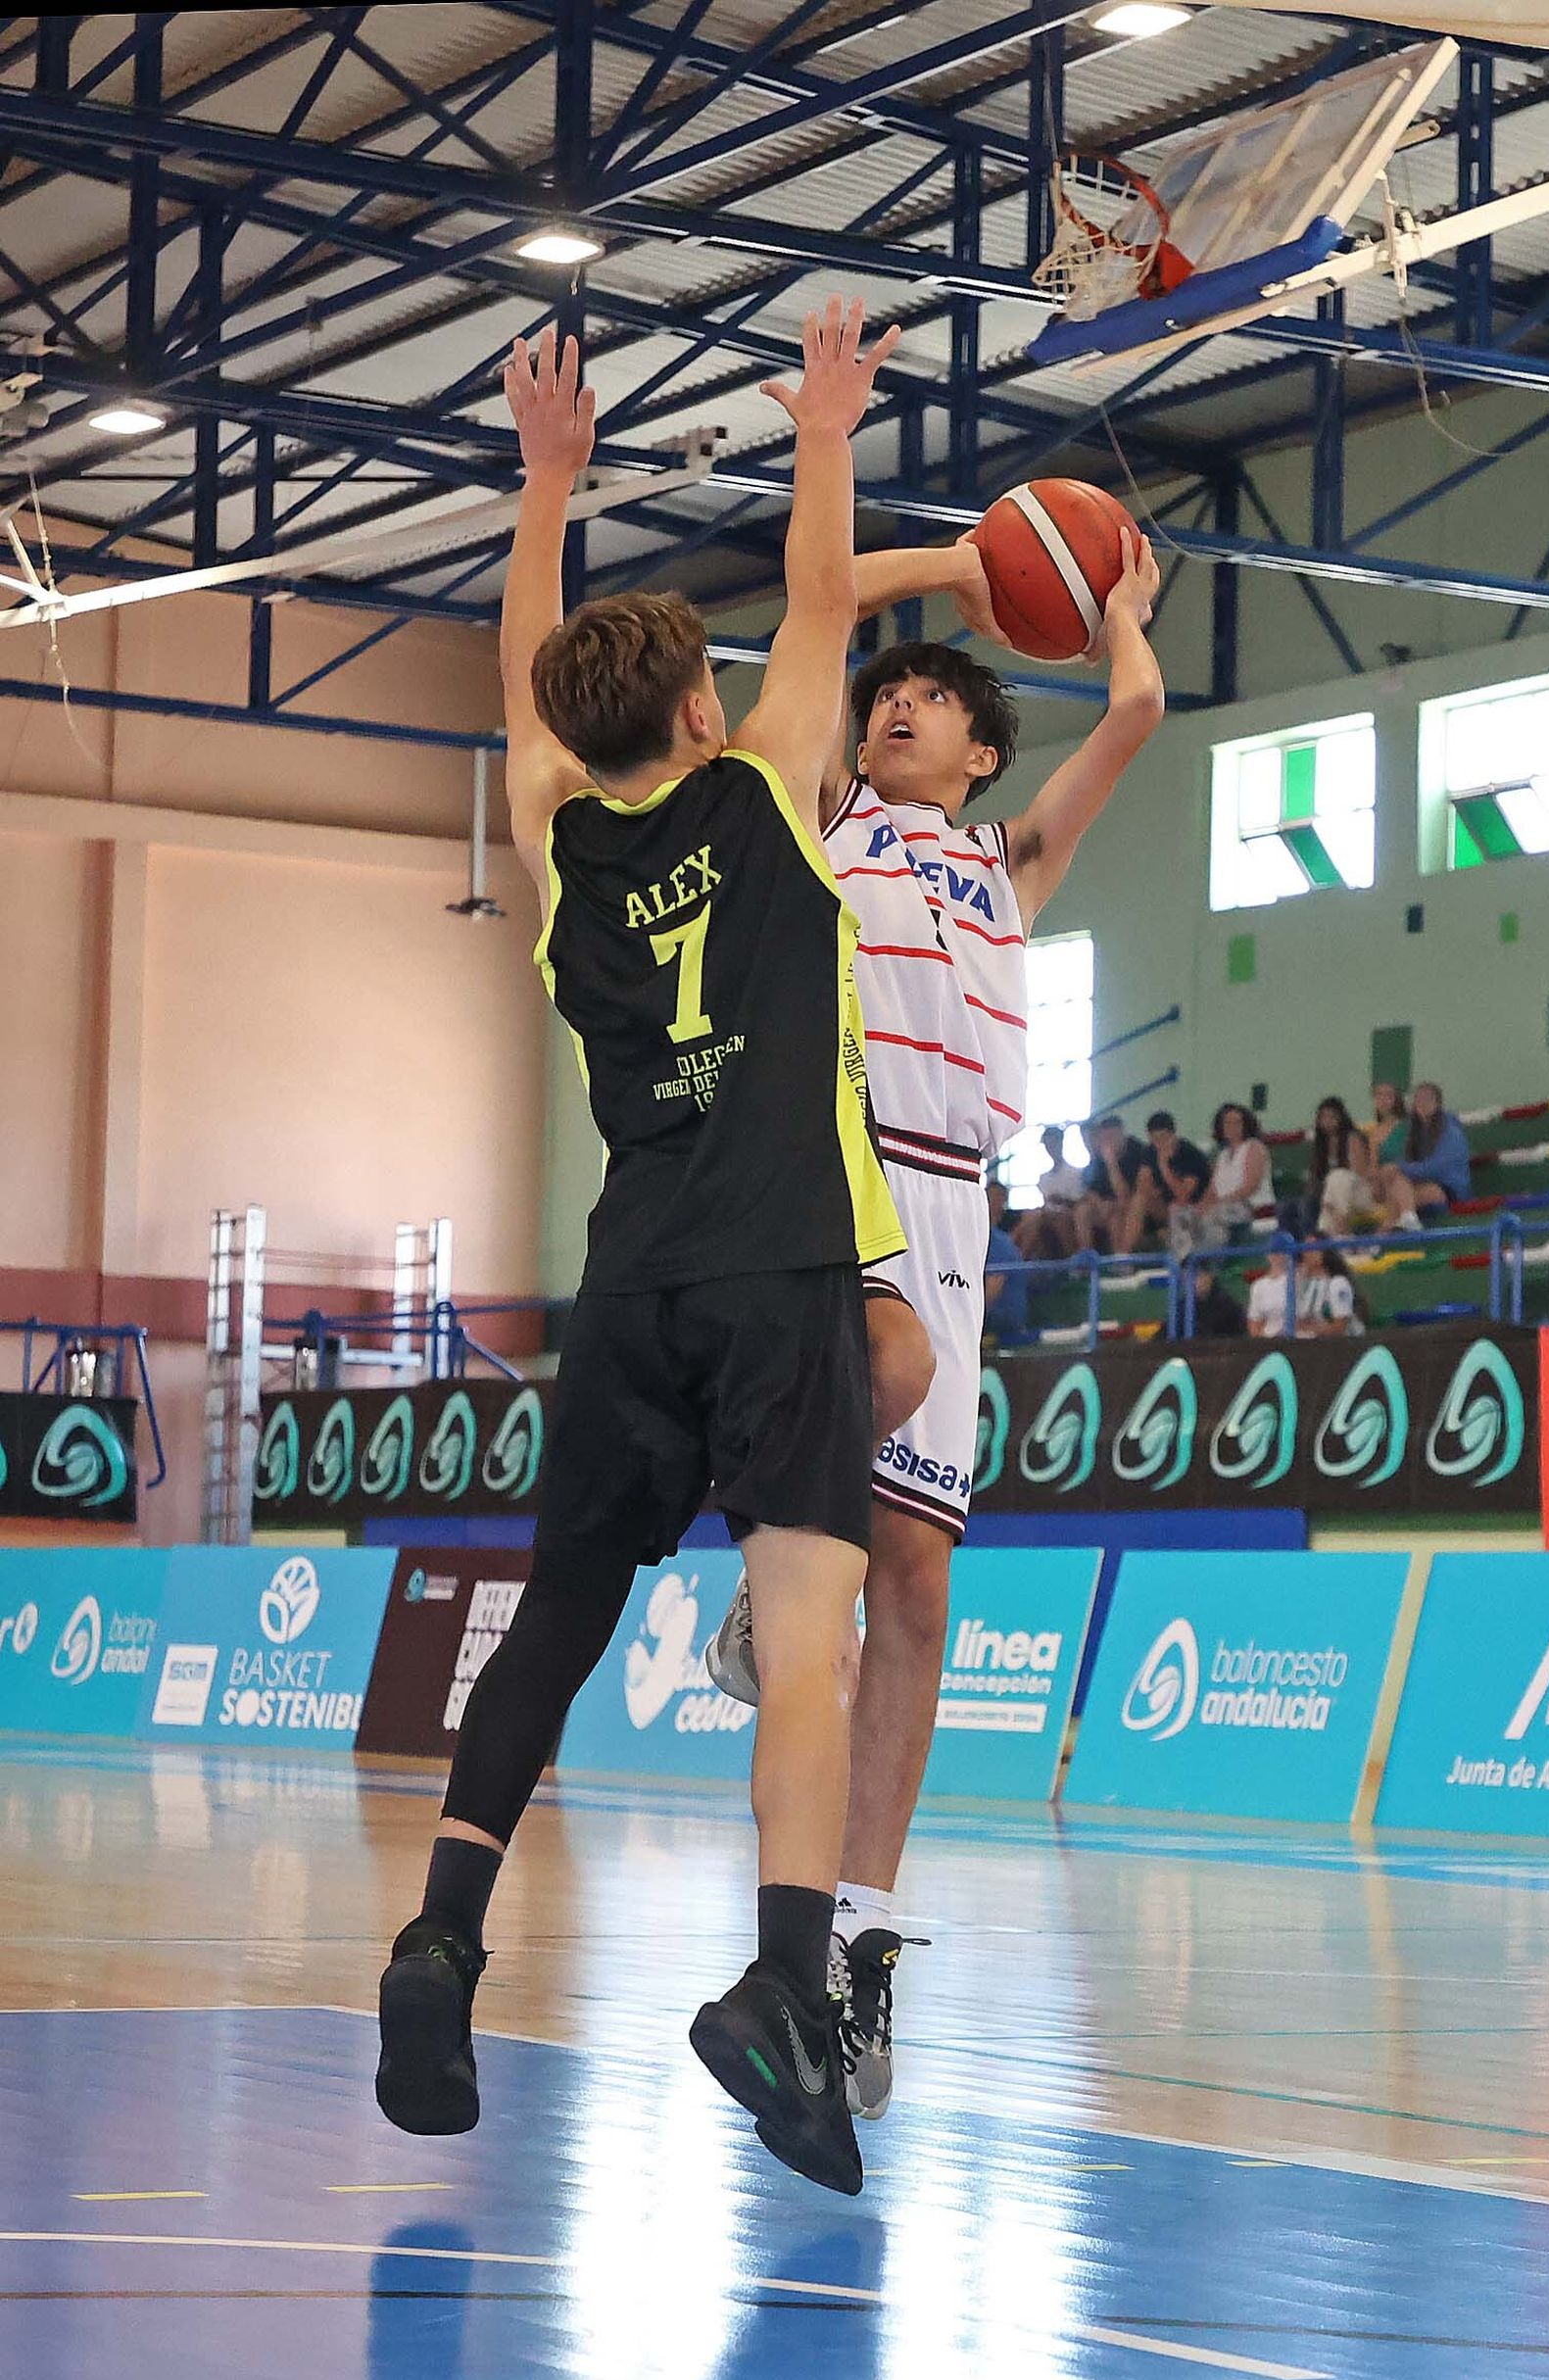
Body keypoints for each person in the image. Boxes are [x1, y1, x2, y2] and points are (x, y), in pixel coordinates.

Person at [374, 301, 909, 2201]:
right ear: (698, 710)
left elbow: (532, 700)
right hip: (776, 1275)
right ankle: (776, 1987)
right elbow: (823, 587)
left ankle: (440, 1927)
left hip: (625, 1290)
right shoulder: (767, 788)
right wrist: (824, 426)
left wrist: (543, 490)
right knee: (811, 1642)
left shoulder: (558, 849)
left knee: (557, 1621)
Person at [708, 519, 1165, 2121]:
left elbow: (1137, 718)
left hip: (959, 1205)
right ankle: (765, 1579)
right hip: (828, 1179)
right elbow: (820, 611)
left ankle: (861, 1928)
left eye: (930, 701)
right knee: (831, 1512)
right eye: (887, 693)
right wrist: (952, 567)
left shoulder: (1007, 860)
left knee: (915, 1578)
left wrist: (1113, 613)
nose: (897, 706)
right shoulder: (830, 812)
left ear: (981, 751)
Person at [1169, 1101, 1275, 1258]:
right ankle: (1183, 1262)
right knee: (1179, 1213)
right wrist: (1199, 1207)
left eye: (1237, 1122)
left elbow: (1251, 1186)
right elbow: (1212, 1190)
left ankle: (1208, 1264)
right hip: (1224, 1206)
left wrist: (1218, 1203)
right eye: (1227, 1123)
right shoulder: (1223, 1155)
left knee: (1213, 1215)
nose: (1231, 1126)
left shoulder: (1254, 1147)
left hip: (1250, 1206)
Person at [1377, 1079, 1471, 1228]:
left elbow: (1439, 1169)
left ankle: (1384, 1236)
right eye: (1418, 1098)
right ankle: (1407, 1219)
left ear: (1438, 1103)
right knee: (1395, 1180)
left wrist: (1401, 1168)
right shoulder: (1414, 1132)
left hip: (1449, 1191)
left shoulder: (1451, 1132)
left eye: (1427, 1098)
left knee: (1398, 1193)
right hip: (1421, 1186)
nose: (1422, 1102)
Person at [1128, 1108, 1210, 1251]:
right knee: (1137, 1200)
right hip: (1164, 1207)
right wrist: (1151, 1190)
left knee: (1176, 1206)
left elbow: (1183, 1196)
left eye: (1163, 1138)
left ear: (1173, 1135)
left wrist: (1164, 1166)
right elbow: (1142, 1184)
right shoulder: (1150, 1151)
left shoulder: (1189, 1153)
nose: (1159, 1144)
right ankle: (1123, 1256)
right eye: (1154, 1139)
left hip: (1192, 1209)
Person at [1074, 1113, 1152, 1255]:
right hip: (1112, 1206)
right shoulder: (1099, 1158)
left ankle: (1122, 1259)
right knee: (1082, 1211)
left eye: (1112, 1138)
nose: (1109, 1143)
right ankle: (1087, 1258)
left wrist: (1112, 1165)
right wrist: (1100, 1204)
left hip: (1139, 1206)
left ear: (1122, 1134)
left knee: (1115, 1217)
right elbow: (1092, 1190)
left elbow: (1126, 1196)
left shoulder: (1138, 1152)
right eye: (1105, 1139)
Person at [1302, 1095, 1375, 1238]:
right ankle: (1322, 1242)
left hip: (1360, 1192)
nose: (1327, 1121)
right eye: (1323, 1117)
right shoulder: (1320, 1144)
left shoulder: (1352, 1138)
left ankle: (1341, 1230)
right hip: (1332, 1196)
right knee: (1303, 1203)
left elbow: (1359, 1174)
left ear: (1341, 1118)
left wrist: (1330, 1188)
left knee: (1338, 1177)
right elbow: (1315, 1178)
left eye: (1331, 1117)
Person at [1013, 1125, 1087, 1263]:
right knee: (1031, 1216)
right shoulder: (1043, 1178)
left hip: (1069, 1215)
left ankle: (1074, 1260)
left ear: (1061, 1143)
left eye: (1054, 1143)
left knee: (1052, 1218)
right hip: (1048, 1215)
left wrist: (1061, 1201)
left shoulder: (1075, 1173)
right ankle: (1019, 1259)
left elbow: (1079, 1201)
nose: (1051, 1148)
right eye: (1048, 1144)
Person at [983, 1177, 1029, 1343]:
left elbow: (992, 1292)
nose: (993, 1203)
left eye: (997, 1199)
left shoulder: (1000, 1243)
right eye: (990, 1198)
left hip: (1004, 1320)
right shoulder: (979, 1238)